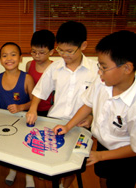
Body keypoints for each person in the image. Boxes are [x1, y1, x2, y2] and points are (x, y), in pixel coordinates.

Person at [54, 30, 136, 188]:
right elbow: (87, 105)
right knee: (103, 179)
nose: (99, 72)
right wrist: (67, 126)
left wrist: (101, 155)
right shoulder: (102, 82)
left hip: (125, 155)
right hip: (103, 143)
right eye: (99, 66)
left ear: (126, 68)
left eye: (104, 67)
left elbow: (134, 148)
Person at [26, 21, 98, 188]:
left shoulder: (95, 69)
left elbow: (102, 100)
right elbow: (39, 91)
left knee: (72, 164)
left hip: (80, 125)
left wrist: (92, 116)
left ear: (84, 46)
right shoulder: (55, 67)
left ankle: (63, 185)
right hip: (55, 121)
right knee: (51, 157)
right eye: (60, 50)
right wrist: (33, 108)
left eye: (69, 51)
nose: (64, 55)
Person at [0, 42, 34, 187]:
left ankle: (29, 176)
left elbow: (34, 101)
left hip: (23, 121)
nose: (8, 58)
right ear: (0, 60)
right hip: (5, 122)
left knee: (26, 148)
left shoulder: (27, 78)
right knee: (10, 147)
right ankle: (13, 170)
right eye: (4, 55)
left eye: (13, 54)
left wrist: (21, 107)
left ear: (21, 58)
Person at [26, 29, 55, 117]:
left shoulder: (55, 68)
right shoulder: (29, 65)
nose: (37, 55)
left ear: (51, 52)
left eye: (41, 52)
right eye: (34, 51)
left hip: (49, 110)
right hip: (31, 107)